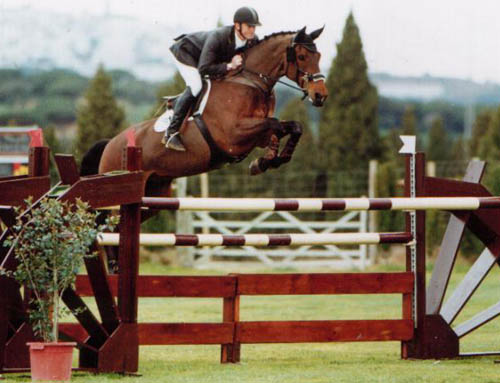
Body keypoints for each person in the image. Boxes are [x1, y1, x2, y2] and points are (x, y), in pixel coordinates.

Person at [163, 6, 261, 151]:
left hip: (206, 60)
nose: (252, 30)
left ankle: (177, 101)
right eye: (249, 26)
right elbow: (204, 69)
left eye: (254, 26)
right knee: (197, 85)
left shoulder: (252, 41)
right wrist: (229, 65)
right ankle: (171, 133)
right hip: (185, 53)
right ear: (237, 25)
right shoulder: (219, 36)